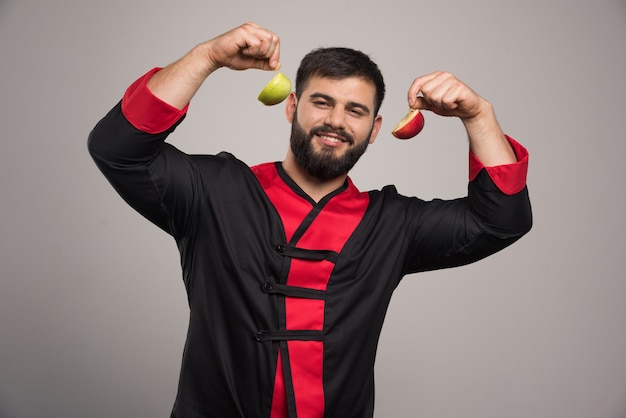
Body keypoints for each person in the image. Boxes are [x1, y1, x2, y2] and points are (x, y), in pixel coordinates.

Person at [88, 22, 532, 418]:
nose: (335, 121)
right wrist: (206, 58)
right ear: (291, 107)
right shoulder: (214, 191)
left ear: (375, 129)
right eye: (322, 102)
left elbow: (501, 221)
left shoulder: (394, 224)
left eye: (355, 111)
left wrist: (478, 115)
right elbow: (117, 147)